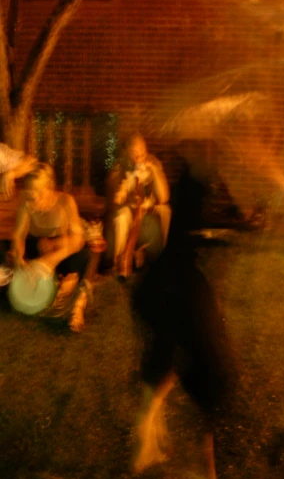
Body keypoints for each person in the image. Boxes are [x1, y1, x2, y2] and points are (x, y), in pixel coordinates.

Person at [131, 164, 243, 479]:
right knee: (213, 388)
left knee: (177, 355)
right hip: (176, 293)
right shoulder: (192, 212)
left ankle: (147, 424)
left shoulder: (185, 219)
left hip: (163, 290)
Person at [10, 163, 92, 332]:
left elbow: (77, 239)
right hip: (37, 250)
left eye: (39, 193)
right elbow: (18, 236)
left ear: (50, 188)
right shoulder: (26, 204)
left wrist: (51, 258)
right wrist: (19, 256)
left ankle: (77, 305)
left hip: (62, 251)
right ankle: (55, 288)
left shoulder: (65, 202)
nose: (34, 199)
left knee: (85, 257)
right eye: (31, 194)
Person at [106, 134, 171, 278]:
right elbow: (116, 200)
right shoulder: (121, 166)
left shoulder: (153, 162)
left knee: (165, 211)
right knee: (121, 217)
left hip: (149, 207)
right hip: (130, 209)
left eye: (142, 150)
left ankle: (162, 257)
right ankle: (119, 263)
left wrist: (154, 171)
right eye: (135, 152)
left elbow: (164, 197)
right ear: (128, 152)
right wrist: (124, 189)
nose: (140, 155)